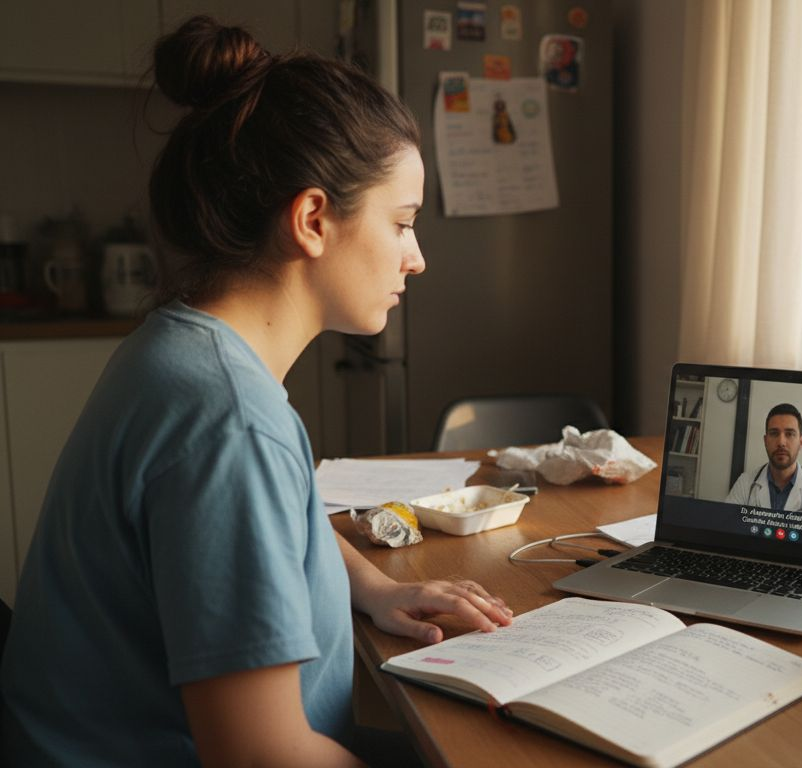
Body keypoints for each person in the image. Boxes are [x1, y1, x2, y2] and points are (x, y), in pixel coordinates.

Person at [0, 16, 512, 766]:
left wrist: (375, 587)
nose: (417, 258)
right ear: (312, 220)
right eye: (402, 223)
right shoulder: (228, 419)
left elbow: (267, 528)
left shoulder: (186, 348)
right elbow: (257, 754)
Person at [724, 403, 802, 516]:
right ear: (765, 441)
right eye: (774, 433)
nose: (781, 442)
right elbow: (726, 524)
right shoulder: (745, 484)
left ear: (801, 442)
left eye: (789, 434)